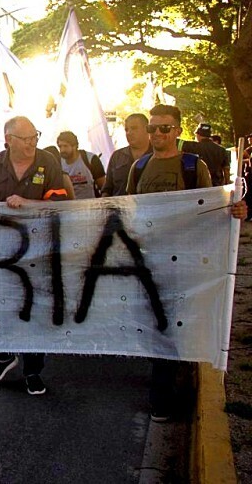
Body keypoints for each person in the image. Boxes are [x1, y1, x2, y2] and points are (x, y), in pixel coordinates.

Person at [126, 105, 246, 422]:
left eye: (164, 128)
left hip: (183, 261)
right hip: (150, 261)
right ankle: (165, 382)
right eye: (152, 129)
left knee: (174, 325)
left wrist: (235, 211)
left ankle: (162, 398)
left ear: (177, 131)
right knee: (155, 326)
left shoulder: (193, 166)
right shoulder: (138, 167)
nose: (156, 135)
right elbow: (128, 210)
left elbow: (213, 207)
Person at [0, 116, 68, 396]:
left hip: (38, 251)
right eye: (26, 139)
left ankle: (33, 370)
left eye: (35, 137)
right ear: (9, 140)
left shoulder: (48, 162)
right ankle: (3, 356)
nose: (32, 143)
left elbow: (62, 202)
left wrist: (28, 203)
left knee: (35, 309)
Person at [102, 114, 152, 197]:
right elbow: (107, 188)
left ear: (147, 129)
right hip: (120, 208)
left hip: (149, 207)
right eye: (126, 130)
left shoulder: (157, 154)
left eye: (134, 128)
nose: (129, 133)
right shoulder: (117, 156)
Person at [56, 131, 105, 199]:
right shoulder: (58, 163)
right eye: (60, 146)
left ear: (75, 146)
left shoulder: (90, 159)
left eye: (65, 146)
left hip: (91, 206)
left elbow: (103, 187)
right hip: (70, 207)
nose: (62, 150)